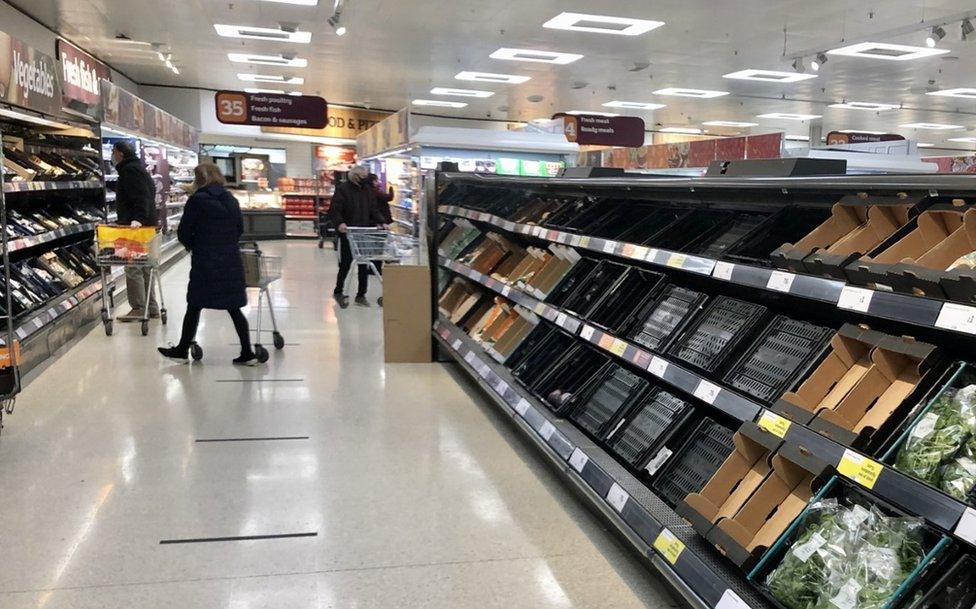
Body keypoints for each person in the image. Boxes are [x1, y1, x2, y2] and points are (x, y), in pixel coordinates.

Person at [157, 163, 258, 366]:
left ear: (199, 179)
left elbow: (184, 232)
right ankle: (247, 352)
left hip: (205, 260)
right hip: (230, 259)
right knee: (234, 306)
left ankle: (182, 349)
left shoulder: (197, 200)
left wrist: (196, 245)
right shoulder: (231, 200)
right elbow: (239, 228)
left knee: (195, 304)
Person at [111, 141, 159, 322]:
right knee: (146, 267)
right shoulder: (137, 168)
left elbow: (142, 196)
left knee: (133, 268)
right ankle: (151, 307)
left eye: (114, 152)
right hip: (145, 226)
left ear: (120, 153)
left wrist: (137, 219)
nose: (113, 156)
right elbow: (149, 193)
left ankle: (139, 307)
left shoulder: (129, 170)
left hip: (136, 228)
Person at [331, 165, 388, 308]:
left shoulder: (367, 190)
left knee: (364, 263)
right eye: (364, 177)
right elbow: (335, 209)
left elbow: (373, 209)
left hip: (364, 231)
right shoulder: (343, 189)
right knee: (346, 262)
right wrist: (340, 223)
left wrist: (382, 221)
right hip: (349, 232)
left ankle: (361, 295)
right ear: (356, 177)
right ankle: (338, 291)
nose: (366, 179)